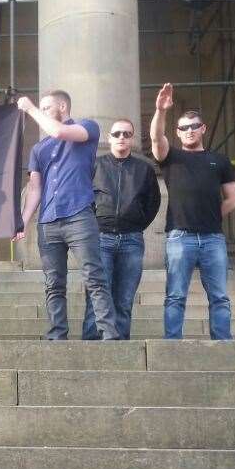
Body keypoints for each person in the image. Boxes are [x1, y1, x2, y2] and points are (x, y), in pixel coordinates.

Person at [14, 90, 120, 341]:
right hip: (48, 221)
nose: (44, 110)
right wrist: (23, 221)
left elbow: (60, 132)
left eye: (47, 107)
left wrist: (30, 108)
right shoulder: (39, 149)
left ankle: (109, 335)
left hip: (79, 215)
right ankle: (57, 335)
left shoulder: (87, 128)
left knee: (94, 276)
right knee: (53, 283)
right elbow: (35, 188)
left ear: (63, 106)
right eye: (41, 107)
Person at [150, 83, 235, 340]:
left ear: (203, 129)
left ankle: (223, 344)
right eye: (183, 128)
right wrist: (160, 110)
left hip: (213, 238)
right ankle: (172, 346)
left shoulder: (219, 160)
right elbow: (156, 138)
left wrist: (210, 215)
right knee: (176, 296)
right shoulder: (171, 157)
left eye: (193, 126)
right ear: (177, 133)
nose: (188, 131)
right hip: (180, 237)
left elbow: (233, 200)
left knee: (220, 297)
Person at [80, 118, 161, 341]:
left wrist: (136, 223)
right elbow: (84, 198)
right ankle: (90, 345)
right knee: (96, 296)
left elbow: (153, 203)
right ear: (109, 138)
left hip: (131, 240)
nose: (122, 138)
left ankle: (122, 348)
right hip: (101, 238)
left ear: (132, 138)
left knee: (124, 299)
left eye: (126, 134)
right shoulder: (95, 165)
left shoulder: (144, 169)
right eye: (117, 134)